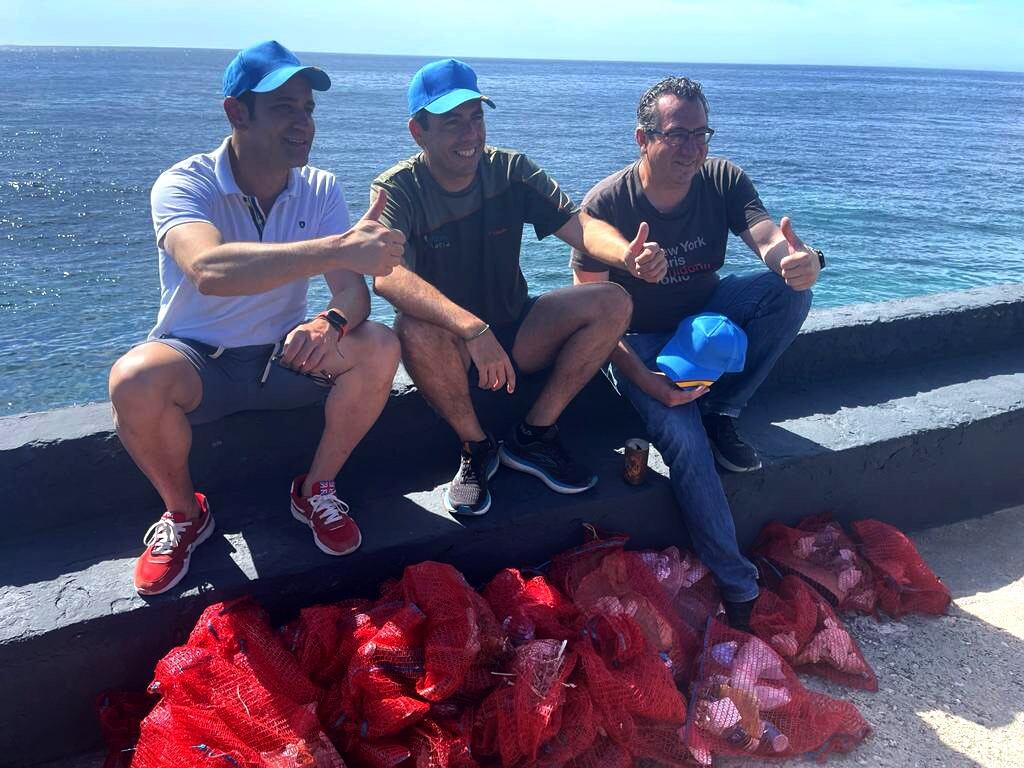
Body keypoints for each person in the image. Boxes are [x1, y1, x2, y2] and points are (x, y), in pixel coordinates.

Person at [109, 41, 406, 596]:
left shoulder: (320, 188)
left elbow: (353, 295)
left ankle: (315, 489)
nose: (303, 123)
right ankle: (183, 515)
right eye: (284, 108)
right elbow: (208, 268)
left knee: (381, 345)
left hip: (283, 359)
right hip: (199, 361)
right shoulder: (186, 183)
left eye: (308, 109)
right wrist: (337, 248)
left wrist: (332, 322)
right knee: (133, 377)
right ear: (236, 113)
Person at [572, 76, 821, 625]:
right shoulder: (607, 203)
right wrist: (644, 381)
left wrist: (795, 262)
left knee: (791, 293)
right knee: (683, 442)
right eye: (677, 135)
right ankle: (736, 583)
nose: (693, 149)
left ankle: (723, 408)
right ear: (643, 137)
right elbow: (592, 320)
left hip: (705, 316)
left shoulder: (721, 177)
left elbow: (764, 236)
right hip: (640, 341)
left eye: (701, 134)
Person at [371, 58, 650, 517]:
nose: (470, 135)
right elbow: (387, 275)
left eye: (476, 117)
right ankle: (475, 448)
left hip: (518, 331)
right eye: (452, 122)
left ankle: (534, 435)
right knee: (411, 326)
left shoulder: (510, 171)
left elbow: (576, 224)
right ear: (418, 131)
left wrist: (626, 255)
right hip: (452, 346)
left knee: (613, 301)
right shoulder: (397, 190)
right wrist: (471, 330)